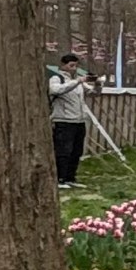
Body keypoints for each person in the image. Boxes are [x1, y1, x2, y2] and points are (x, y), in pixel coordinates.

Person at [48, 52, 89, 186]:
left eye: (76, 66)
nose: (74, 68)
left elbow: (91, 92)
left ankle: (71, 177)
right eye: (71, 65)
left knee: (76, 151)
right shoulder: (56, 78)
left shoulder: (78, 81)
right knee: (63, 151)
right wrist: (77, 82)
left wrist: (98, 84)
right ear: (63, 65)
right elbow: (55, 90)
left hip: (79, 120)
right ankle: (60, 178)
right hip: (64, 121)